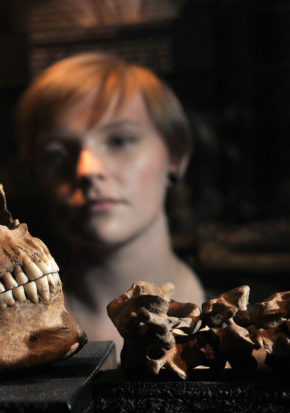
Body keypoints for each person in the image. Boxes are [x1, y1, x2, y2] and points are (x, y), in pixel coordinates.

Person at [15, 52, 205, 352]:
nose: (87, 171)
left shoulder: (260, 316)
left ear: (175, 155)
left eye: (120, 141)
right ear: (35, 173)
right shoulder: (11, 336)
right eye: (59, 154)